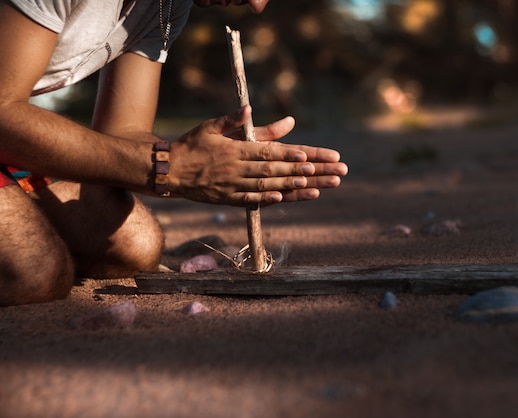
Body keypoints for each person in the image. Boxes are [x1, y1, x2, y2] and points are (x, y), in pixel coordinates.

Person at [0, 0, 348, 306]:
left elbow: (122, 132)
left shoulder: (168, 5)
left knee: (134, 243)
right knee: (34, 270)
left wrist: (209, 159)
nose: (257, 5)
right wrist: (171, 168)